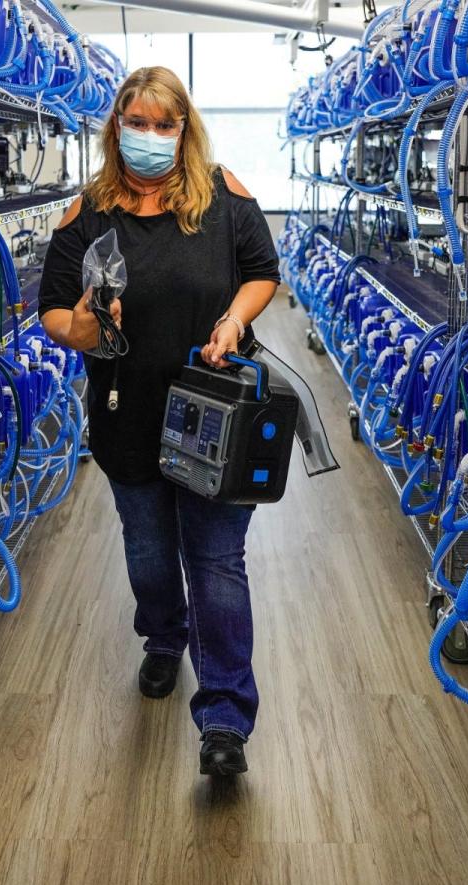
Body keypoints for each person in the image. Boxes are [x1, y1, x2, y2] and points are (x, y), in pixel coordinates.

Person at [38, 66, 280, 777]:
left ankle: (227, 716)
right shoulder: (87, 213)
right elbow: (52, 309)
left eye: (163, 124)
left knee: (216, 562)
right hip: (128, 413)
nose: (149, 137)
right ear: (117, 128)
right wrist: (80, 327)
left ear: (185, 129)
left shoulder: (225, 197)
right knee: (148, 555)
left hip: (214, 415)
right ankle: (164, 638)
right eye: (136, 123)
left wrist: (235, 320)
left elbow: (263, 270)